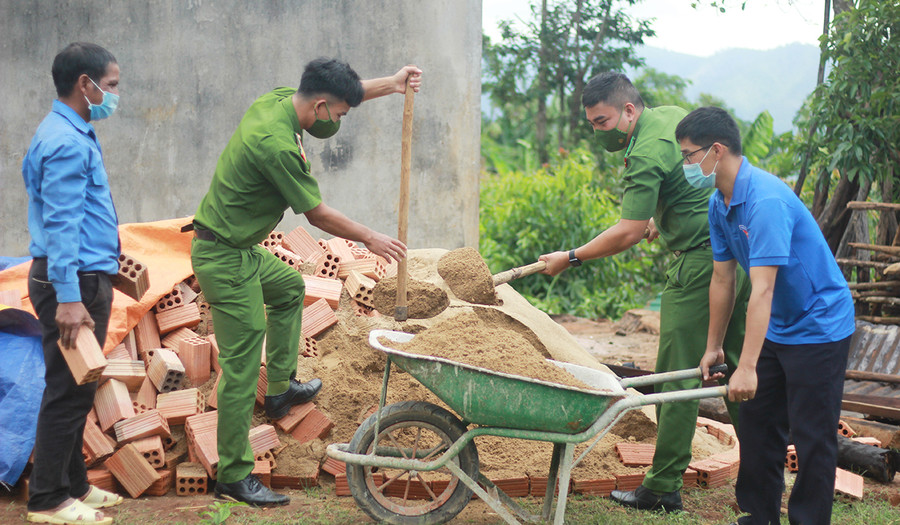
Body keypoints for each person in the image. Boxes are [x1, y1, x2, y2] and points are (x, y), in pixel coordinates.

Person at [190, 58, 421, 507]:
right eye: (340, 114)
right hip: (224, 258)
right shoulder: (275, 145)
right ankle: (234, 476)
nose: (340, 120)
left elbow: (339, 93)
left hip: (241, 249)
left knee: (290, 289)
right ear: (319, 106)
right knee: (239, 365)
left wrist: (391, 86)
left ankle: (279, 391)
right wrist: (371, 238)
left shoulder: (279, 100)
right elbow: (317, 214)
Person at [538, 72, 750, 512]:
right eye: (593, 124)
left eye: (602, 122)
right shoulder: (671, 120)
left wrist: (571, 256)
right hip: (738, 253)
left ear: (628, 111)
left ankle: (662, 485)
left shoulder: (644, 152)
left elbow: (626, 232)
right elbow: (686, 183)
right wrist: (661, 216)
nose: (599, 132)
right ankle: (763, 471)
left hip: (700, 267)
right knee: (744, 371)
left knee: (677, 374)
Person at [677, 106, 855, 525]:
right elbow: (723, 280)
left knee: (812, 434)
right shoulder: (719, 204)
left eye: (689, 155)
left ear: (715, 151)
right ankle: (759, 517)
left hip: (819, 323)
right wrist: (714, 346)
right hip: (777, 321)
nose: (685, 164)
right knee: (758, 422)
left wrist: (750, 366)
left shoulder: (766, 201)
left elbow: (763, 288)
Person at [21, 42, 126, 525]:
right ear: (85, 85)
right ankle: (47, 499)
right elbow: (62, 224)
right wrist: (67, 297)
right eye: (111, 86)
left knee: (74, 383)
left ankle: (74, 485)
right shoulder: (64, 142)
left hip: (82, 276)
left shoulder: (68, 131)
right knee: (69, 389)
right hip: (73, 285)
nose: (114, 95)